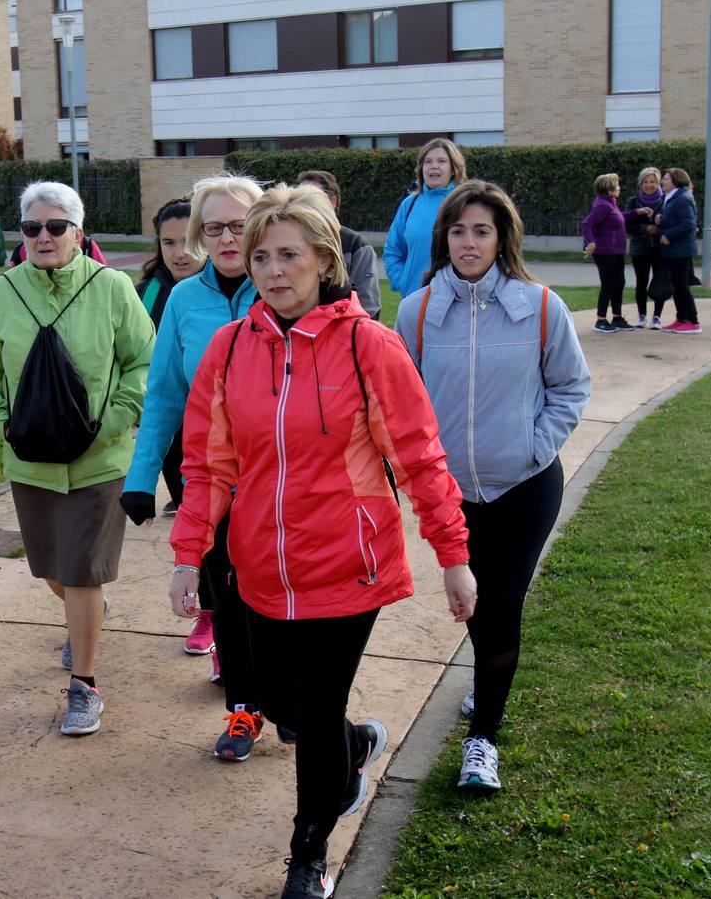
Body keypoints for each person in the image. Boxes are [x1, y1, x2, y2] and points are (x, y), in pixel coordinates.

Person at [170, 184, 477, 899]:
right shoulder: (228, 348)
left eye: (290, 255)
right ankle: (358, 744)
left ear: (323, 259)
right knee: (282, 705)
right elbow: (207, 464)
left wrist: (454, 557)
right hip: (260, 569)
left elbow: (420, 459)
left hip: (349, 565)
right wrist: (190, 552)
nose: (274, 271)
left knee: (312, 717)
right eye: (262, 257)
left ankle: (307, 857)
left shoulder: (369, 345)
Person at [394, 180, 590, 795]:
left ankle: (485, 739)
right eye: (458, 231)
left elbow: (571, 386)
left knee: (502, 600)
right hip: (452, 494)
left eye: (482, 230)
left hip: (527, 485)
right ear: (443, 238)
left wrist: (534, 443)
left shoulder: (542, 305)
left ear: (502, 237)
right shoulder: (417, 311)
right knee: (477, 602)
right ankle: (488, 676)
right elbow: (404, 404)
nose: (469, 242)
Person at [0, 180, 154, 736]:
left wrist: (114, 421)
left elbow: (145, 362)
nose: (42, 237)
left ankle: (85, 686)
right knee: (51, 567)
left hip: (99, 460)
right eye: (30, 228)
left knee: (81, 571)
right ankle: (88, 611)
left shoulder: (113, 289)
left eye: (54, 227)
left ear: (77, 232)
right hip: (31, 462)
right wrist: (1, 422)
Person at [120, 174, 276, 759]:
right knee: (227, 596)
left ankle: (283, 697)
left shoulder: (282, 289)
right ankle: (243, 709)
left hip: (279, 478)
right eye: (213, 228)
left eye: (239, 225)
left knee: (280, 593)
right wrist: (140, 479)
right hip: (206, 477)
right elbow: (162, 392)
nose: (227, 238)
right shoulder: (184, 299)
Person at [133, 195, 213, 653]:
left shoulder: (241, 289)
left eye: (186, 241)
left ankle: (216, 619)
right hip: (172, 431)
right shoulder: (148, 291)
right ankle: (208, 612)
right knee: (193, 523)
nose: (179, 252)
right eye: (168, 243)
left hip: (224, 436)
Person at [384, 138, 466, 298]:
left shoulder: (465, 202)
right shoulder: (409, 205)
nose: (434, 166)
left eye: (441, 161)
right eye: (428, 161)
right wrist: (402, 282)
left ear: (453, 168)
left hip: (458, 300)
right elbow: (392, 251)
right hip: (415, 300)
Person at [296, 169, 382, 320]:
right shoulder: (291, 241)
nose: (303, 204)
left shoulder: (356, 245)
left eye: (311, 198)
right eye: (298, 198)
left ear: (332, 201)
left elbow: (369, 307)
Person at [582, 172, 650, 332]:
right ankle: (601, 320)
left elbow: (618, 217)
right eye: (617, 185)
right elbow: (587, 223)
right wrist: (590, 242)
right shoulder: (603, 205)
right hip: (605, 252)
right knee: (609, 284)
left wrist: (636, 213)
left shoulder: (610, 204)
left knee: (619, 283)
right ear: (609, 189)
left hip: (616, 252)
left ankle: (617, 317)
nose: (619, 187)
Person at [658, 168, 702, 333]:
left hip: (681, 250)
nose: (663, 181)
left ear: (676, 180)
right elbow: (674, 218)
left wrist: (669, 235)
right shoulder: (671, 197)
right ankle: (681, 317)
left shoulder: (683, 198)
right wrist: (661, 219)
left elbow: (689, 223)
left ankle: (692, 320)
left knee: (682, 286)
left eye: (666, 179)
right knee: (676, 285)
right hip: (672, 250)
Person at [624, 167, 664, 327]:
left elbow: (670, 221)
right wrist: (645, 229)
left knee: (659, 280)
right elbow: (627, 225)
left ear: (658, 183)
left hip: (660, 248)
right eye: (646, 182)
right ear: (641, 184)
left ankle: (657, 316)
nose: (649, 185)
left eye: (653, 182)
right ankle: (642, 315)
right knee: (641, 281)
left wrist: (658, 229)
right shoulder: (632, 202)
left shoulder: (665, 200)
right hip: (639, 248)